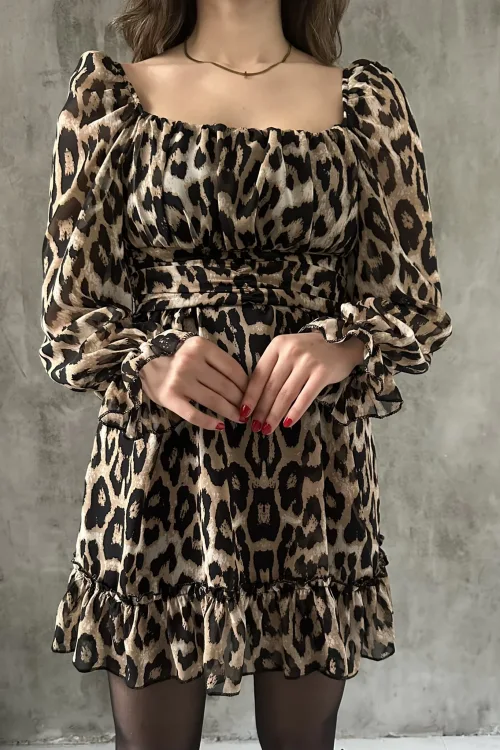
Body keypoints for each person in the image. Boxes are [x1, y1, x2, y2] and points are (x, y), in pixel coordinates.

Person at [39, 0, 453, 748]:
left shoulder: (362, 102)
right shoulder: (113, 98)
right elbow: (68, 309)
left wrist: (341, 344)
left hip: (314, 475)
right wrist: (147, 361)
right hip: (159, 470)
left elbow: (414, 304)